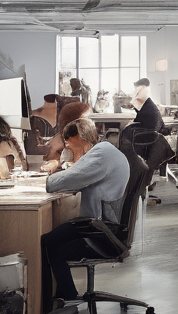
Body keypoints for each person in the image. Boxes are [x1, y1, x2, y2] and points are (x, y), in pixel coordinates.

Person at [40, 117, 132, 303]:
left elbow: (61, 182)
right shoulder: (104, 151)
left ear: (81, 137)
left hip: (101, 230)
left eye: (69, 142)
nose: (67, 146)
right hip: (107, 227)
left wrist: (49, 176)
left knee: (49, 241)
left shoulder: (101, 155)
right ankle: (66, 293)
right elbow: (77, 173)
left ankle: (59, 299)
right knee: (56, 236)